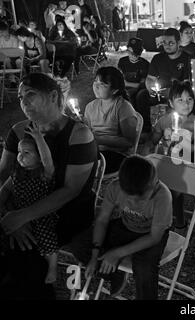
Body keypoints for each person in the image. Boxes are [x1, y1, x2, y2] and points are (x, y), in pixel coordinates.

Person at [0, 73, 98, 299]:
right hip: (21, 207)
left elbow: (71, 190)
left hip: (65, 213)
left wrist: (22, 217)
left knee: (24, 251)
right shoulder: (18, 130)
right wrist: (10, 215)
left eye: (31, 95)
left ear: (53, 96)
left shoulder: (78, 134)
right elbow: (4, 176)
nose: (24, 102)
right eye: (21, 97)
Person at [69, 155, 172, 300]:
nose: (134, 202)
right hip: (125, 226)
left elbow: (154, 237)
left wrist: (117, 253)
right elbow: (103, 220)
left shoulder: (162, 196)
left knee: (145, 271)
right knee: (79, 245)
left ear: (153, 184)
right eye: (130, 197)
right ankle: (115, 273)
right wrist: (94, 255)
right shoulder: (115, 187)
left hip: (149, 234)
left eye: (140, 198)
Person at [0, 123, 59, 284]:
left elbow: (48, 161)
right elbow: (4, 191)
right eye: (19, 152)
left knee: (47, 237)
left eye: (27, 152)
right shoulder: (16, 176)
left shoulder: (43, 174)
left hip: (41, 215)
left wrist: (39, 138)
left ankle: (52, 267)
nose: (20, 156)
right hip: (20, 214)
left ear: (39, 156)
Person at [151, 80, 195, 232]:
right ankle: (176, 218)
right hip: (172, 162)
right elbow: (152, 141)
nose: (186, 104)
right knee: (165, 184)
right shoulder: (165, 120)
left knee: (175, 185)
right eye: (181, 100)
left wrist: (182, 142)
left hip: (194, 165)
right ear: (171, 103)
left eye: (189, 99)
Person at [135, 28, 191, 134]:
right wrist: (151, 88)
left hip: (177, 94)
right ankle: (146, 130)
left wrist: (173, 92)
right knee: (141, 96)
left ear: (178, 43)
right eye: (164, 43)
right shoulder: (158, 58)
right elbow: (150, 78)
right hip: (159, 92)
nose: (167, 46)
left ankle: (174, 130)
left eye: (171, 43)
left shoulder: (186, 59)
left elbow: (186, 83)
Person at [84, 67, 138, 174]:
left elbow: (129, 141)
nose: (96, 86)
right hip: (94, 151)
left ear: (115, 90)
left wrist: (99, 139)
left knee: (85, 169)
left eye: (103, 84)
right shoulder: (90, 107)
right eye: (95, 81)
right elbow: (88, 133)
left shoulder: (123, 107)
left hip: (116, 154)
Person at [117, 37, 149, 108]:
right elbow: (119, 78)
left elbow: (143, 85)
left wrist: (127, 83)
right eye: (129, 51)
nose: (131, 55)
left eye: (134, 52)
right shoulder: (122, 61)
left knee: (132, 97)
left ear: (139, 52)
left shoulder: (145, 64)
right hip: (124, 88)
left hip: (138, 90)